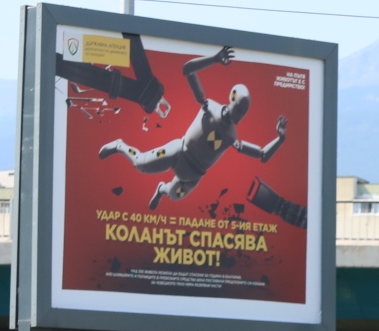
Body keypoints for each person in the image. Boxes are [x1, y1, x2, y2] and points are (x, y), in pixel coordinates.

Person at [96, 45, 287, 210]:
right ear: (232, 101)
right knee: (140, 164)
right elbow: (187, 70)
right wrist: (214, 58)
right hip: (178, 153)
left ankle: (161, 189)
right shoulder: (209, 106)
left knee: (173, 194)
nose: (240, 116)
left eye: (243, 113)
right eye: (239, 109)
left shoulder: (231, 136)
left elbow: (261, 154)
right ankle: (120, 145)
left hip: (193, 176)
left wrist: (280, 139)